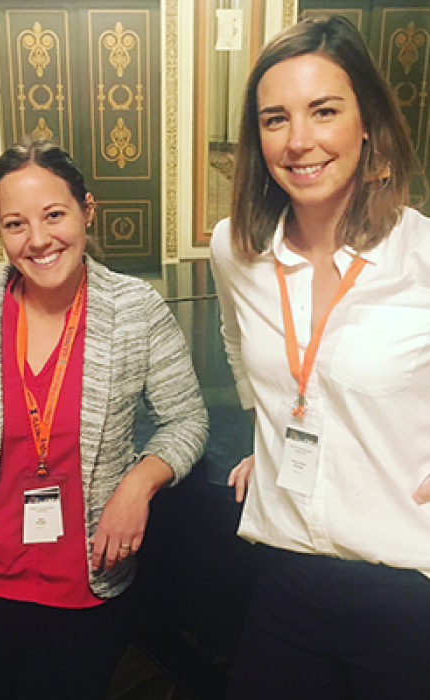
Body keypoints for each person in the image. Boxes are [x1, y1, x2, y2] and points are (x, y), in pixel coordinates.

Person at [0, 139, 209, 700]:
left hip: (86, 592)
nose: (37, 240)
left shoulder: (136, 310)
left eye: (54, 215)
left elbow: (185, 419)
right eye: (15, 224)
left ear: (87, 209)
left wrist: (139, 482)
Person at [210, 14, 430, 700]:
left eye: (324, 111)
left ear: (367, 123)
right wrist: (269, 428)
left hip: (408, 582)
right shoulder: (235, 249)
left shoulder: (421, 256)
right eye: (275, 119)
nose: (299, 140)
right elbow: (237, 344)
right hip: (287, 571)